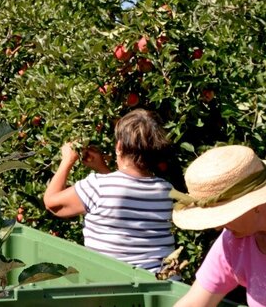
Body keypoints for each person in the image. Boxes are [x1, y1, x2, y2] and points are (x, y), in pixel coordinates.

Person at [42, 109, 175, 272]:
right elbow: (122, 194)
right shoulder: (166, 190)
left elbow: (52, 203)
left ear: (119, 146)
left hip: (115, 288)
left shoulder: (98, 186)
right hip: (161, 284)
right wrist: (102, 168)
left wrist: (67, 160)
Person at [172, 145, 266, 307]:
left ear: (255, 204)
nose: (217, 227)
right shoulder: (234, 242)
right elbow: (195, 302)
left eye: (224, 214)